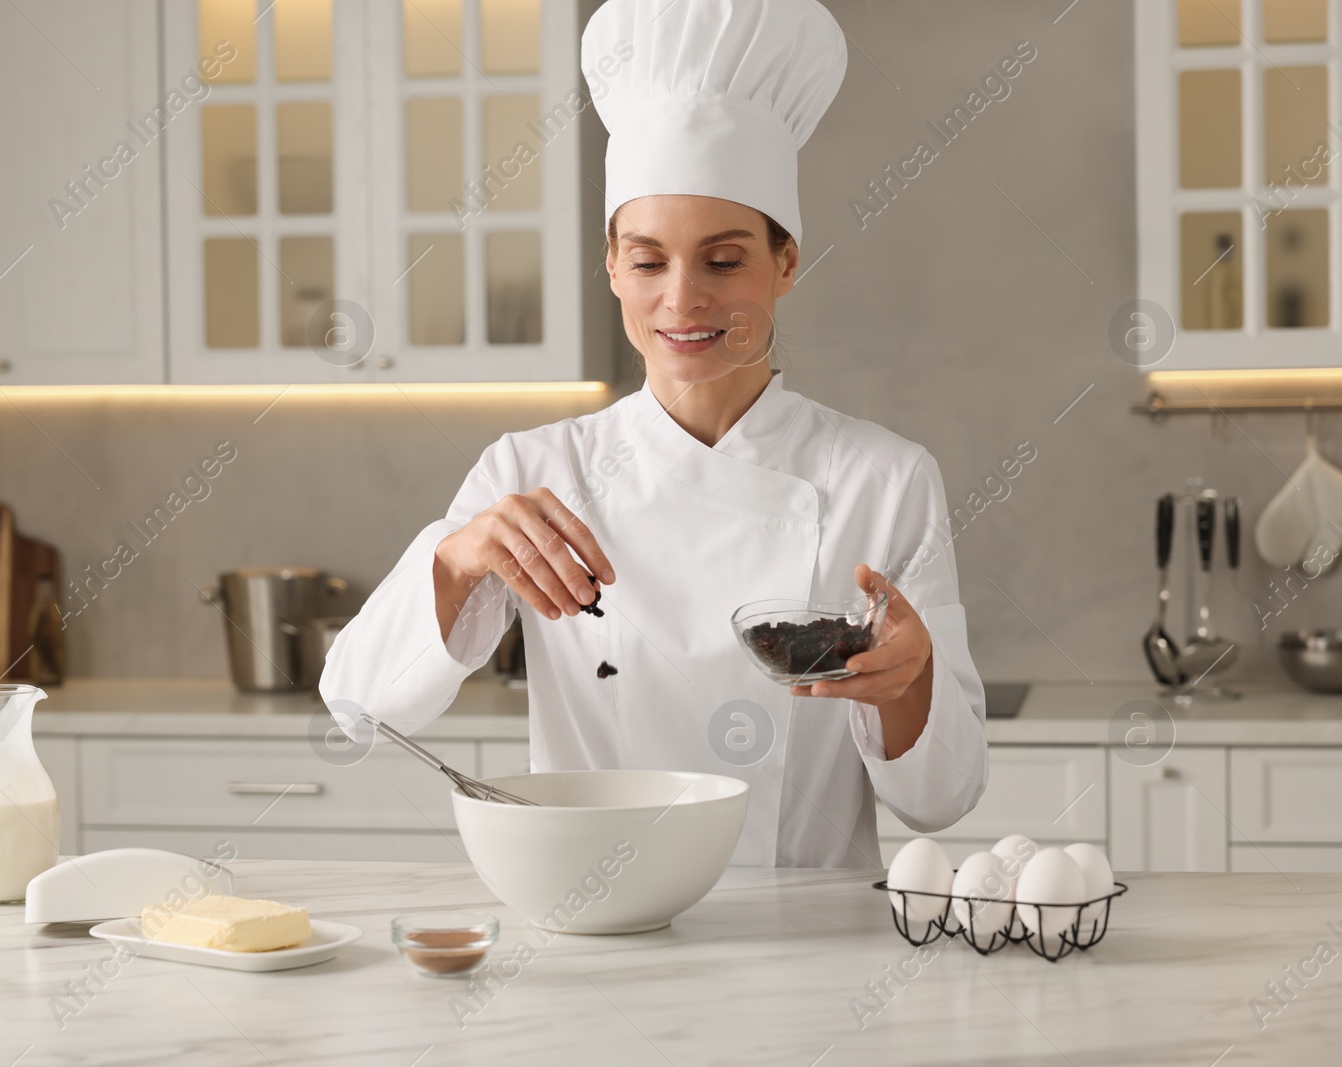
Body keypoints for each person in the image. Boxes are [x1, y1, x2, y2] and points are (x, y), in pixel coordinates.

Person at [320, 0, 987, 867]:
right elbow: (360, 708)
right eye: (646, 260)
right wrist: (456, 557)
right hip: (600, 939)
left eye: (723, 259)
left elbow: (941, 800)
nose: (682, 300)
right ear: (610, 265)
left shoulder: (884, 478)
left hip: (807, 949)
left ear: (785, 263)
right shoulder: (533, 470)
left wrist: (912, 678)